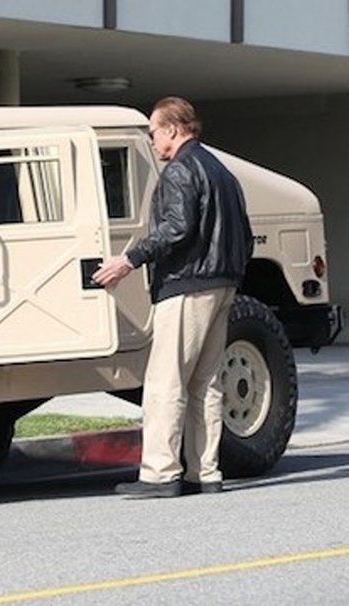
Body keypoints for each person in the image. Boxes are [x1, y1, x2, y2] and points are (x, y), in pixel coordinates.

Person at [92, 96, 253, 498]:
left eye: (153, 133)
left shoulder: (180, 170)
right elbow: (245, 235)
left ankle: (160, 473)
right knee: (207, 382)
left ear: (173, 130)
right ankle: (206, 472)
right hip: (223, 284)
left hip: (187, 285)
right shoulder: (222, 172)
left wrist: (129, 259)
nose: (151, 141)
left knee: (166, 381)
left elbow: (177, 228)